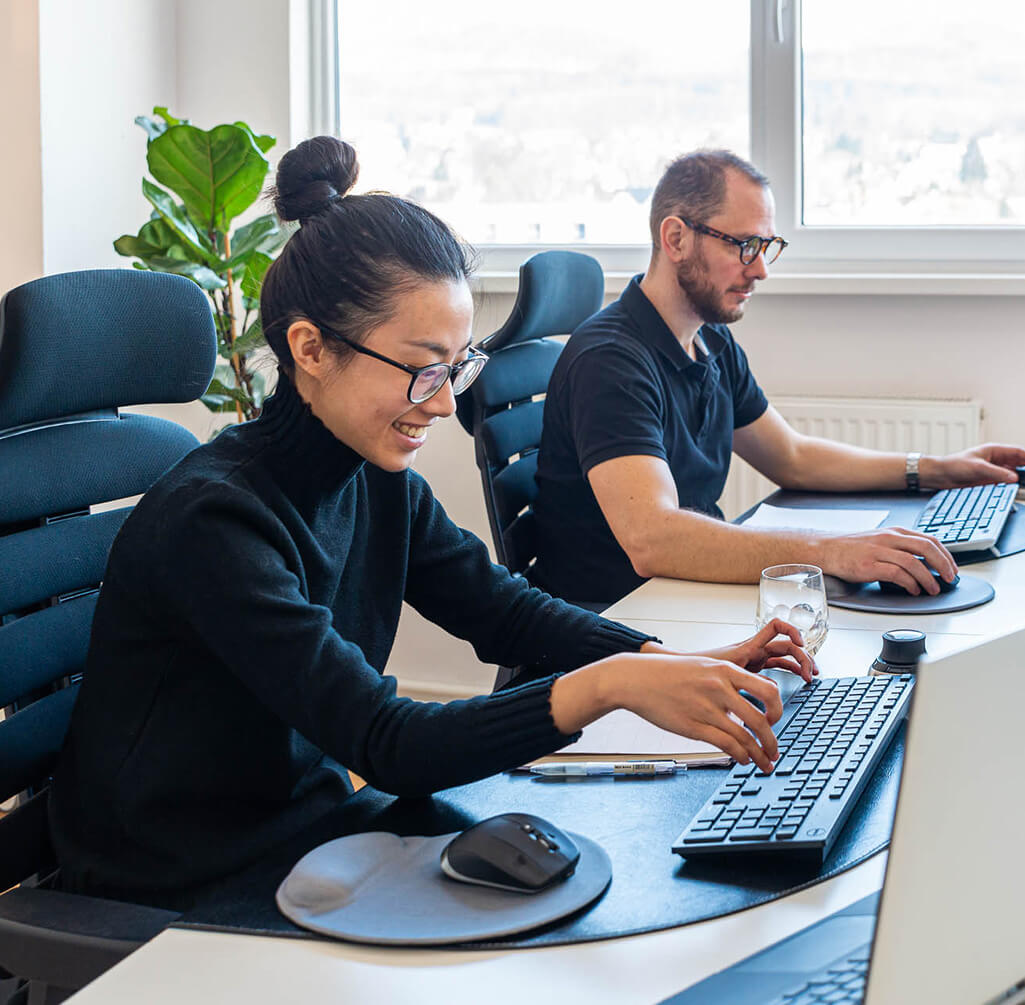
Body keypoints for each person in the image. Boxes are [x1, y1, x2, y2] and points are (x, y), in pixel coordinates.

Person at [48, 137, 815, 911]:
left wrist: (667, 658)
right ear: (310, 348)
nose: (446, 403)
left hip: (309, 827)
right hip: (176, 876)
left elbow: (504, 611)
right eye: (423, 368)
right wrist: (608, 685)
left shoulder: (373, 476)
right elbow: (387, 742)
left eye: (458, 366)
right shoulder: (214, 521)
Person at [533, 149, 1025, 608]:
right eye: (745, 246)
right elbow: (652, 539)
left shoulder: (710, 341)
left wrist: (937, 470)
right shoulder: (611, 360)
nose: (762, 270)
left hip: (679, 597)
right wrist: (830, 552)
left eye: (767, 246)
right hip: (621, 622)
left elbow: (791, 457)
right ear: (676, 239)